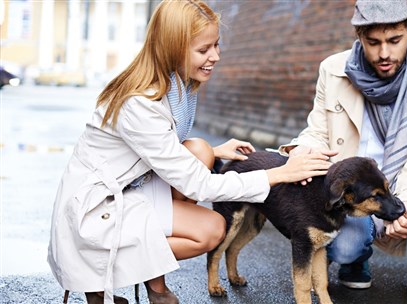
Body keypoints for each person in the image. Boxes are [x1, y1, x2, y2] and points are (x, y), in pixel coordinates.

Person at [47, 1, 332, 304]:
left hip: (128, 189)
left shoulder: (175, 84)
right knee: (211, 230)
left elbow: (165, 147)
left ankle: (148, 278)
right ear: (173, 48)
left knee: (199, 150)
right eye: (204, 49)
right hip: (94, 209)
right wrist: (279, 173)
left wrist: (215, 149)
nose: (215, 56)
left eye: (216, 45)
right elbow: (199, 185)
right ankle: (97, 272)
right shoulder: (140, 102)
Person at [279, 1, 407, 303]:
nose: (384, 54)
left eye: (394, 40)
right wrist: (300, 150)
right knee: (347, 247)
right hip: (357, 192)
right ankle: (355, 257)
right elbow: (318, 131)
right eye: (373, 43)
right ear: (359, 37)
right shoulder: (334, 70)